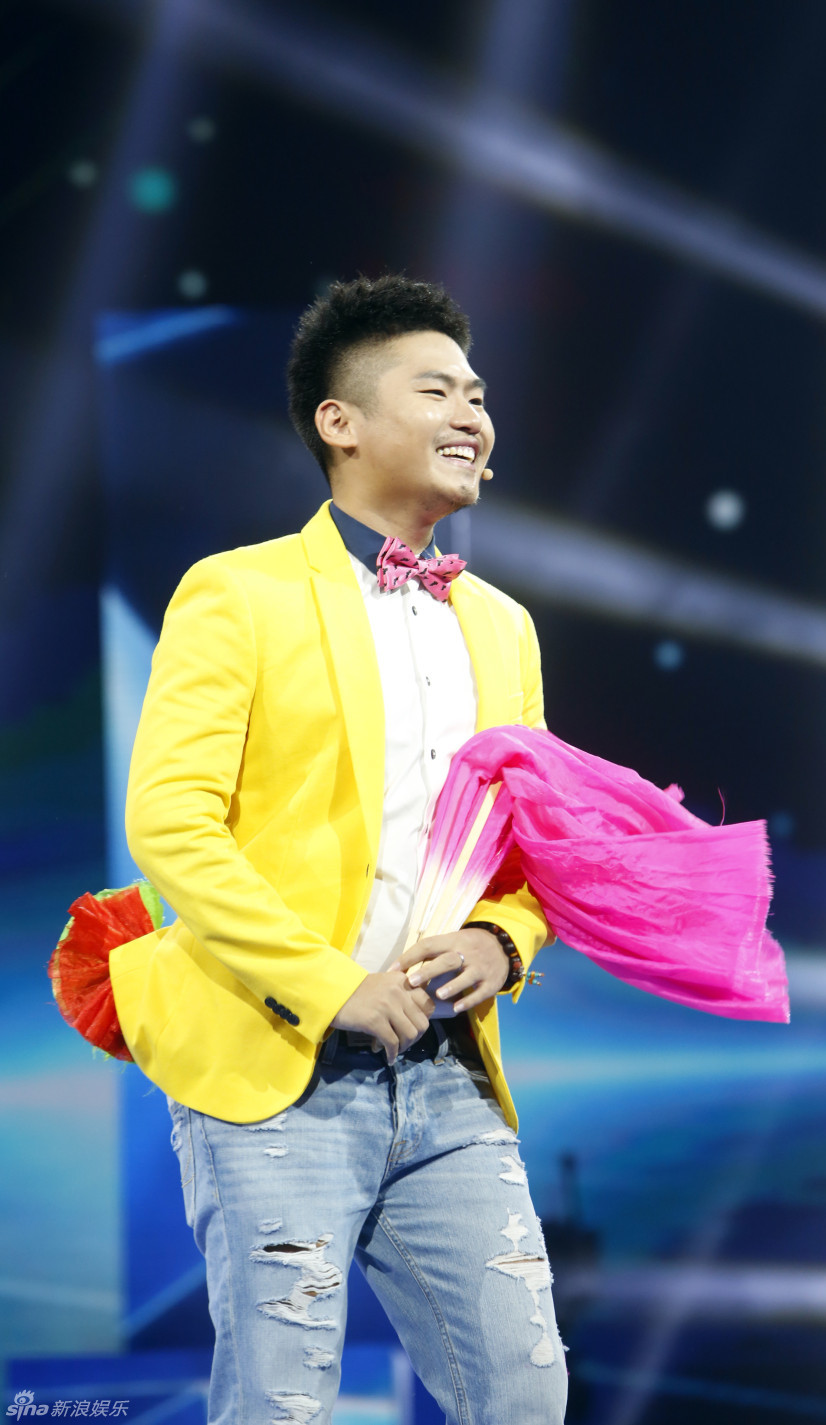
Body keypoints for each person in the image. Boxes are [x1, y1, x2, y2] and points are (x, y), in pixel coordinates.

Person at [111, 274, 568, 1424]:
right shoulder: (238, 593)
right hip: (278, 1067)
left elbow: (529, 843)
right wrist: (332, 987)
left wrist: (501, 940)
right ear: (340, 421)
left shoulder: (502, 626)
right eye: (437, 390)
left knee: (523, 1393)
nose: (472, 415)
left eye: (478, 395)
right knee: (283, 1403)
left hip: (448, 1074)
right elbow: (170, 823)